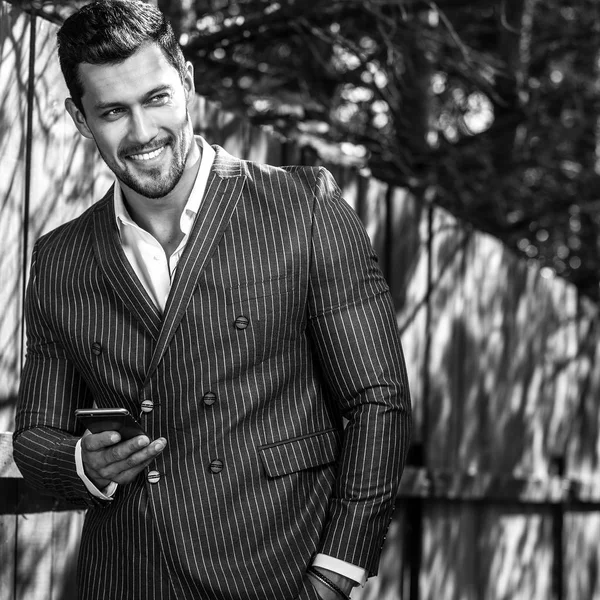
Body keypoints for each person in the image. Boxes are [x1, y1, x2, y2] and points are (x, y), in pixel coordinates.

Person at [13, 1, 411, 599]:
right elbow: (35, 435)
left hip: (276, 574)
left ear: (188, 82)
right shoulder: (60, 258)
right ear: (79, 117)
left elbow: (377, 402)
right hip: (126, 580)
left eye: (157, 98)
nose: (143, 133)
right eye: (113, 112)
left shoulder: (305, 208)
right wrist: (81, 465)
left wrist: (335, 574)